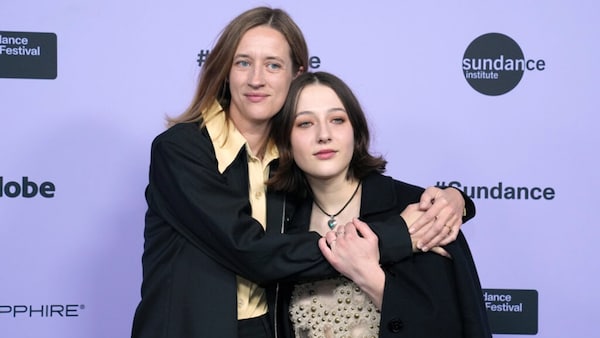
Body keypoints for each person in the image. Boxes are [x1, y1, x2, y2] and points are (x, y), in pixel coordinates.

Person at [131, 7, 475, 338]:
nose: (256, 79)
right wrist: (398, 234)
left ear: (295, 75)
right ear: (224, 70)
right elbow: (251, 251)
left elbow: (352, 191)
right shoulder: (180, 150)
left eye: (273, 65)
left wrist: (455, 199)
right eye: (243, 63)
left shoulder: (290, 165)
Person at [268, 71, 491, 337]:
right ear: (285, 140)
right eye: (305, 124)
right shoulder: (280, 219)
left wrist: (370, 277)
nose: (324, 135)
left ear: (356, 130)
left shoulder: (419, 211)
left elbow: (452, 328)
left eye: (337, 120)